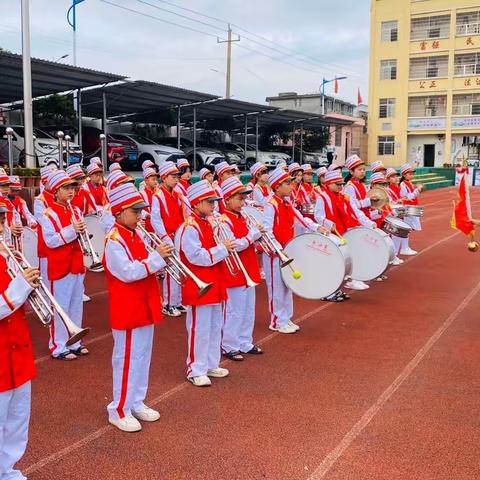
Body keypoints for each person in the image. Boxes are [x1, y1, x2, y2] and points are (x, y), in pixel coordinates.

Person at [103, 182, 172, 433]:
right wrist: (157, 259)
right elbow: (129, 272)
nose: (140, 216)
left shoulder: (136, 234)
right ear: (120, 211)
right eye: (135, 211)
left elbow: (144, 263)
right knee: (127, 359)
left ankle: (136, 401)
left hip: (144, 303)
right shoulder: (114, 240)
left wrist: (158, 258)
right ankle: (118, 408)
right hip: (128, 306)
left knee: (142, 357)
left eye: (141, 211)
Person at [175, 180, 235, 387]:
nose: (214, 205)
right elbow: (195, 257)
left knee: (214, 325)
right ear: (198, 203)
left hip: (215, 281)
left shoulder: (208, 223)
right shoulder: (189, 228)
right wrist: (223, 249)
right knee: (199, 328)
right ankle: (195, 368)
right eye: (210, 202)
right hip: (199, 285)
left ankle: (210, 363)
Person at [0, 196, 40, 480]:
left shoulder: (7, 255)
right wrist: (20, 288)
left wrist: (30, 287)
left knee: (18, 417)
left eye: (0, 220)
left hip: (19, 349)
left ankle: (7, 469)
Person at [263, 168, 327, 333]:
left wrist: (317, 226)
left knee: (287, 285)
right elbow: (267, 231)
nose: (291, 186)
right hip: (275, 254)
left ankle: (286, 317)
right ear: (277, 186)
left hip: (287, 250)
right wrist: (278, 249)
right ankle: (276, 320)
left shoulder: (287, 202)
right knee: (276, 287)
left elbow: (300, 218)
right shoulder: (271, 205)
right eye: (286, 183)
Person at [39, 171, 87, 361]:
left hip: (76, 263)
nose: (71, 192)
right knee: (60, 307)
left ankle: (74, 342)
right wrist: (71, 231)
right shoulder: (48, 214)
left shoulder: (75, 210)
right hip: (60, 265)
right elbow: (51, 241)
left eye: (72, 188)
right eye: (66, 188)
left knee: (76, 305)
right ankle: (58, 346)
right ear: (56, 191)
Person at [219, 176, 263, 361]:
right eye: (239, 198)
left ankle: (245, 341)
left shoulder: (243, 216)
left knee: (248, 308)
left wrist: (259, 234)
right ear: (227, 199)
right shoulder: (223, 221)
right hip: (235, 270)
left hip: (249, 267)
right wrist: (253, 235)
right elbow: (234, 245)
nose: (242, 202)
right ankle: (229, 344)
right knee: (234, 310)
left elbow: (249, 239)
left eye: (244, 198)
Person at [314, 169, 361, 297]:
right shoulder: (322, 197)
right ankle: (327, 292)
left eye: (341, 184)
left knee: (341, 262)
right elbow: (318, 216)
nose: (340, 186)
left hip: (342, 233)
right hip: (330, 235)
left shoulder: (343, 196)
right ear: (328, 184)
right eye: (337, 184)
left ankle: (336, 288)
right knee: (330, 262)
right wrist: (329, 224)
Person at [151, 162, 186, 317]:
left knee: (180, 270)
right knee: (171, 271)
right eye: (173, 177)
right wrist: (165, 237)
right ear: (164, 178)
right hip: (168, 237)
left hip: (178, 235)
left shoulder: (177, 194)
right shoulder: (158, 196)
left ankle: (177, 301)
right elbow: (156, 220)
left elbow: (183, 213)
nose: (177, 179)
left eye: (178, 176)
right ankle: (168, 304)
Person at [399, 163, 424, 255]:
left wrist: (417, 190)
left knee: (410, 227)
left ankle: (405, 247)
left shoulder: (409, 183)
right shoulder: (402, 184)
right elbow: (406, 197)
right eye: (409, 173)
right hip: (407, 207)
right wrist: (417, 190)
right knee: (407, 227)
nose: (412, 175)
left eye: (412, 173)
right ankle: (404, 248)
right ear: (404, 175)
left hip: (412, 206)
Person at [385, 168, 405, 265]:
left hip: (397, 214)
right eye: (393, 176)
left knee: (397, 236)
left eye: (396, 176)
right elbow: (389, 202)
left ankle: (394, 254)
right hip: (391, 214)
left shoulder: (397, 188)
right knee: (392, 236)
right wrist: (397, 202)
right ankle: (392, 255)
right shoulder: (388, 190)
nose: (396, 178)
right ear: (388, 179)